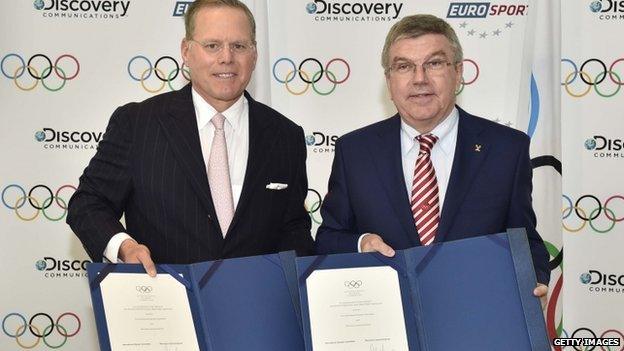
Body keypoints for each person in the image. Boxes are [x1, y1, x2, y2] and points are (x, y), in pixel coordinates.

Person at [67, 0, 313, 276]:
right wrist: (124, 247)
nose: (226, 57)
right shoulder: (138, 124)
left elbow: (294, 227)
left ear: (254, 54)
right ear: (186, 51)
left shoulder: (286, 135)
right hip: (164, 303)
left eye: (239, 46)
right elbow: (88, 204)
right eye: (212, 45)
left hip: (255, 309)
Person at [315, 14, 549, 302]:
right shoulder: (355, 151)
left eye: (434, 63)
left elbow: (525, 241)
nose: (419, 79)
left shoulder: (506, 149)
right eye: (404, 67)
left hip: (477, 319)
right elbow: (329, 239)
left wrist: (535, 278)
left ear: (459, 72)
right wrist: (362, 244)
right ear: (388, 80)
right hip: (390, 324)